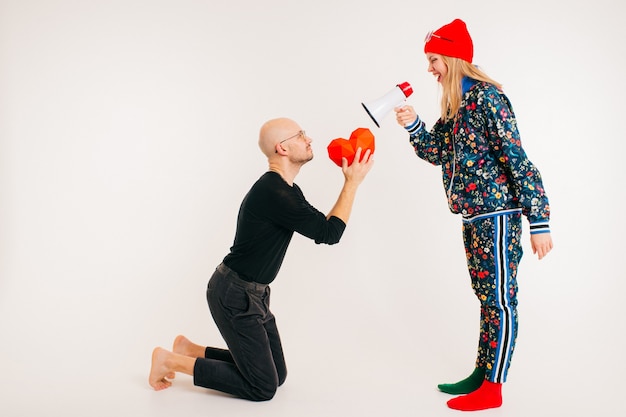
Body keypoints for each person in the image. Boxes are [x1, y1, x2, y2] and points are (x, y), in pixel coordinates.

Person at [148, 117, 374, 401]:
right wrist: (352, 183)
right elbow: (331, 233)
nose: (309, 139)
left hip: (253, 294)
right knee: (263, 387)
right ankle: (170, 361)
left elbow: (324, 228)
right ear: (283, 148)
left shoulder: (286, 190)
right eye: (300, 134)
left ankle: (190, 350)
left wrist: (350, 182)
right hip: (233, 294)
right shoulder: (275, 193)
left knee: (277, 376)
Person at [395, 19, 553, 411]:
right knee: (486, 297)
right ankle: (482, 373)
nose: (429, 68)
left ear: (453, 57)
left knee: (500, 300)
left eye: (434, 59)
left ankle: (493, 389)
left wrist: (539, 222)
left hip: (498, 215)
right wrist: (413, 124)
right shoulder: (456, 104)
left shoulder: (488, 99)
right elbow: (436, 152)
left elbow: (518, 160)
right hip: (473, 217)